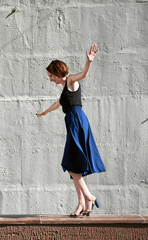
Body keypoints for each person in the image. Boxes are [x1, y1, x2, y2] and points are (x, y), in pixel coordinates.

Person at [36, 44, 106, 216]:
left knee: (69, 163)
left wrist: (89, 61)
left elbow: (83, 74)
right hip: (73, 122)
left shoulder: (71, 80)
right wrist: (45, 112)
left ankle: (89, 197)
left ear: (58, 73)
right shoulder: (64, 90)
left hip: (77, 121)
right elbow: (59, 103)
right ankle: (83, 204)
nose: (50, 79)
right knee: (73, 164)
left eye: (51, 75)